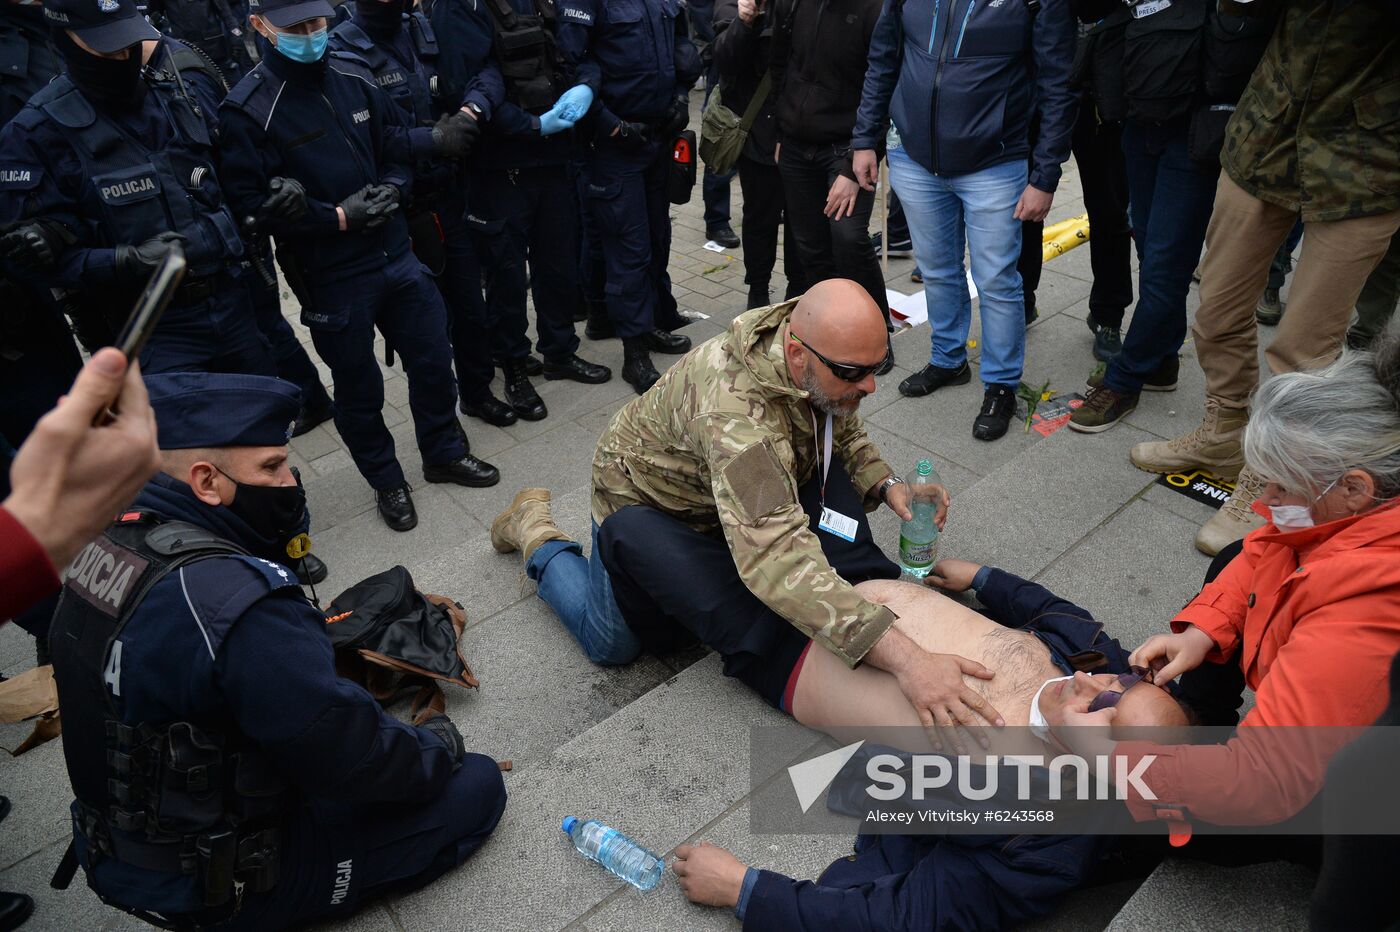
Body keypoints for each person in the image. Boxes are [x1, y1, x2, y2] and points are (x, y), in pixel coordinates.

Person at [45, 371, 506, 929]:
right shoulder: (238, 602)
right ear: (206, 481)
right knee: (478, 785)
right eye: (271, 467)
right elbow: (347, 752)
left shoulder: (103, 541)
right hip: (223, 880)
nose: (290, 482)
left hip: (125, 847)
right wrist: (435, 750)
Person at [490, 280, 1015, 737]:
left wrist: (885, 482)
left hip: (722, 494)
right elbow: (777, 558)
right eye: (855, 372)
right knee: (611, 646)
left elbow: (839, 418)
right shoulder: (736, 421)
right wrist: (910, 662)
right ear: (797, 356)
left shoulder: (812, 349)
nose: (872, 386)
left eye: (878, 367)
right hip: (646, 506)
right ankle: (537, 534)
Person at [667, 563, 1189, 929]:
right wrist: (984, 578)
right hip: (847, 577)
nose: (1098, 685)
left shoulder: (1037, 839)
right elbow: (1055, 609)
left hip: (786, 649)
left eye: (1104, 713)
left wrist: (743, 890)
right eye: (1127, 686)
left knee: (640, 536)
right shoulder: (1101, 664)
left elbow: (900, 918)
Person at [1063, 333, 1400, 839]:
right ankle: (1203, 714)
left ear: (1355, 487)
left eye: (1281, 484)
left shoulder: (1368, 615)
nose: (1264, 501)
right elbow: (1265, 550)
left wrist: (1108, 761)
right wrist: (1202, 629)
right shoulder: (1351, 515)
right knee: (1233, 555)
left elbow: (1262, 785)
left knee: (1140, 820)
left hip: (1358, 797)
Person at [1127, 1, 1400, 554]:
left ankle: (1274, 470)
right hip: (1266, 135)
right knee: (1216, 309)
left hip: (1368, 158)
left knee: (1305, 346)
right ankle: (1225, 433)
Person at [219, 0, 501, 533]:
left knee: (433, 359)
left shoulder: (353, 72)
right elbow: (248, 208)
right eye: (295, 27)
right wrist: (335, 218)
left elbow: (394, 144)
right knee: (359, 386)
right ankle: (386, 480)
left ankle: (443, 451)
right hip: (332, 275)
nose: (310, 35)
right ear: (260, 26)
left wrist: (395, 186)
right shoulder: (249, 109)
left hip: (396, 251)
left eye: (317, 23)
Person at [0, 0, 278, 377]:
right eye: (107, 48)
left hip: (233, 308)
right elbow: (36, 259)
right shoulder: (35, 135)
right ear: (64, 39)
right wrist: (123, 260)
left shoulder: (173, 95)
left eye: (129, 44)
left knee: (263, 422)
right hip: (148, 328)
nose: (124, 56)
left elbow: (229, 184)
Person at [851, 0, 1076, 441]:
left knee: (996, 281)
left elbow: (1058, 85)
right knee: (937, 270)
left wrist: (1045, 175)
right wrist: (865, 139)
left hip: (995, 164)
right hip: (915, 160)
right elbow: (883, 60)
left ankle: (1001, 385)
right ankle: (948, 359)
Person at [1066, 0, 1275, 437]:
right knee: (1150, 248)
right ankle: (1160, 363)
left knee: (1164, 265)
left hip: (1194, 135)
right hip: (1141, 123)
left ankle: (1124, 381)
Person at [444, 0, 612, 422]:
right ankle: (514, 366)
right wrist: (533, 126)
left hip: (555, 160)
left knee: (557, 267)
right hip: (501, 168)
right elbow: (466, 85)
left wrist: (587, 86)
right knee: (506, 278)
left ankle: (558, 351)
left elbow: (581, 55)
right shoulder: (460, 7)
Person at [556, 0, 699, 393]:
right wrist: (609, 126)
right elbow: (568, 65)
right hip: (614, 145)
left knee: (656, 239)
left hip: (657, 136)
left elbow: (682, 45)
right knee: (628, 249)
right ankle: (634, 353)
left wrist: (682, 99)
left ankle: (649, 324)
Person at [769, 0, 893, 353]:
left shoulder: (876, 10)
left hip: (847, 147)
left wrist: (853, 165)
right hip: (795, 143)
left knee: (848, 239)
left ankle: (877, 334)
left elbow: (882, 87)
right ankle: (828, 334)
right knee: (810, 247)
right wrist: (780, 131)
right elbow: (780, 64)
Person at [712, 0, 806, 310]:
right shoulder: (734, 5)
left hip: (801, 129)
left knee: (802, 220)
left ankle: (799, 289)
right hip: (757, 133)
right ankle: (758, 288)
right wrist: (745, 20)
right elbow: (725, 59)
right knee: (760, 218)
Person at [1067, 21, 1133, 364]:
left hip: (1105, 105)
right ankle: (1023, 299)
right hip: (1045, 90)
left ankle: (1108, 316)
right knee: (1023, 206)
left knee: (1109, 213)